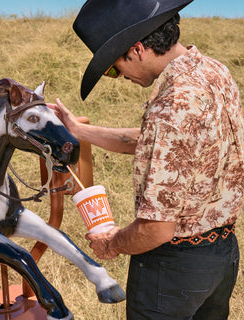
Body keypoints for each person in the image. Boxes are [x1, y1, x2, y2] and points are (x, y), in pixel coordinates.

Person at [48, 0, 244, 319]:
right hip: (221, 257)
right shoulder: (213, 71)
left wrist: (111, 243)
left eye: (113, 67)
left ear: (137, 49)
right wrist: (80, 131)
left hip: (172, 269)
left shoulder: (171, 108)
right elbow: (162, 145)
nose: (118, 75)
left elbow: (156, 230)